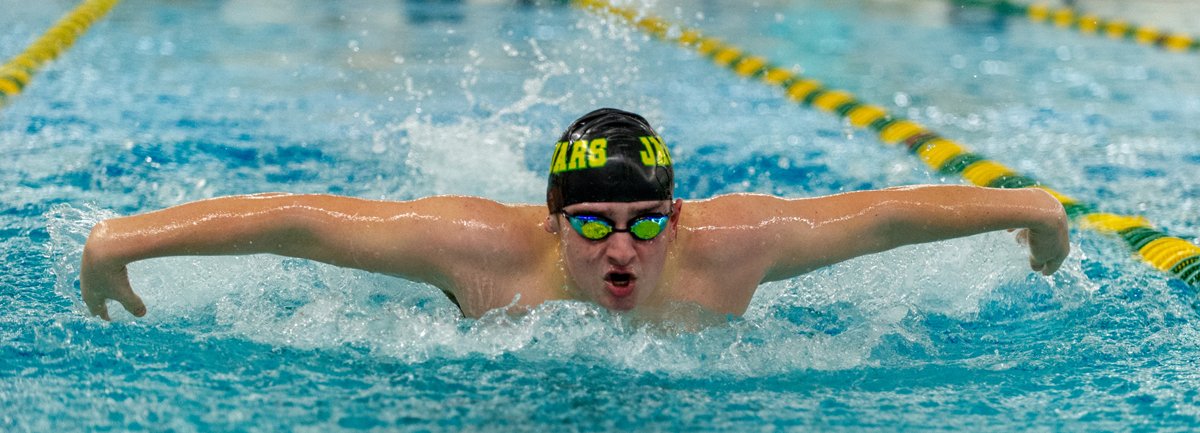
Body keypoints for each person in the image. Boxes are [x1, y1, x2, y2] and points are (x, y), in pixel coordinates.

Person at [80, 108, 1070, 321]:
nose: (624, 246)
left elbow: (887, 216)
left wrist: (1031, 208)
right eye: (593, 224)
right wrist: (119, 241)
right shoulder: (475, 249)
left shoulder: (737, 249)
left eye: (646, 224)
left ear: (679, 218)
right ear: (551, 221)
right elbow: (298, 220)